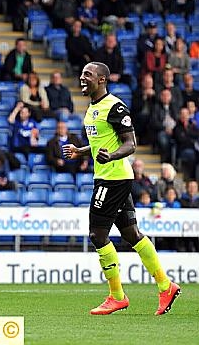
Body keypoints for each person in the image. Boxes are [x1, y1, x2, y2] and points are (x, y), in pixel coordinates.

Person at [62, 61, 180, 316]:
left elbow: (131, 144)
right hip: (110, 176)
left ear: (102, 79)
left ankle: (117, 296)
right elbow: (99, 145)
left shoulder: (114, 106)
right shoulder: (92, 109)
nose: (82, 78)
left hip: (112, 179)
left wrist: (113, 155)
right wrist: (81, 151)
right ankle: (165, 285)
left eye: (88, 75)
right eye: (82, 74)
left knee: (97, 235)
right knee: (131, 234)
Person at [172, 107, 199, 181]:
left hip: (194, 148)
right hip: (183, 149)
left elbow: (197, 134)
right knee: (192, 155)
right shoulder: (177, 127)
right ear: (180, 115)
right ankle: (192, 177)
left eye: (186, 114)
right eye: (182, 114)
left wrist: (188, 135)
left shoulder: (192, 125)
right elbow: (181, 139)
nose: (184, 116)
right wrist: (191, 137)